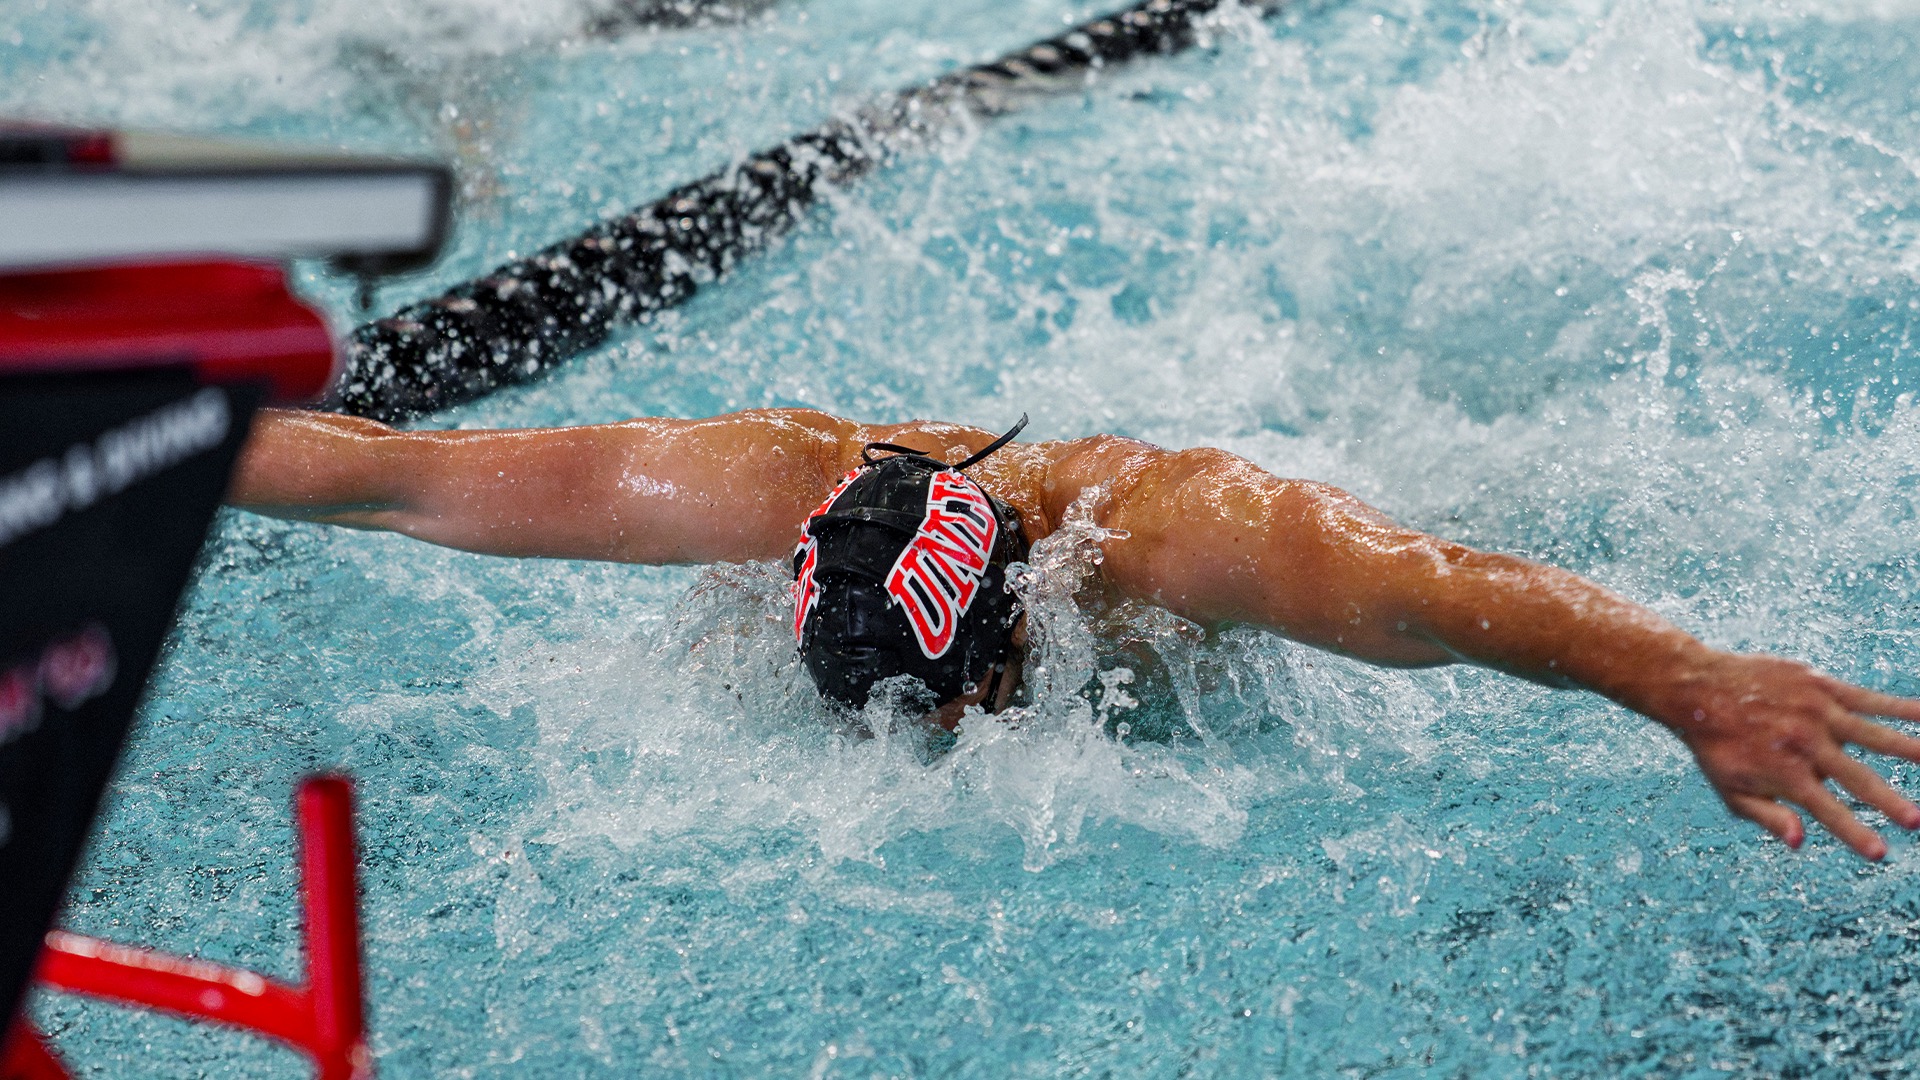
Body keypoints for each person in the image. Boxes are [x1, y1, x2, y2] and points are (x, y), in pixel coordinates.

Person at [228, 405, 1920, 861]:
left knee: (1478, 509)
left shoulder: (1198, 541)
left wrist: (1682, 681)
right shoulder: (753, 485)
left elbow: (1444, 595)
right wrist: (125, 428)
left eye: (955, 706)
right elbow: (398, 484)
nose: (935, 751)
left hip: (1380, 490)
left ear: (1020, 635)